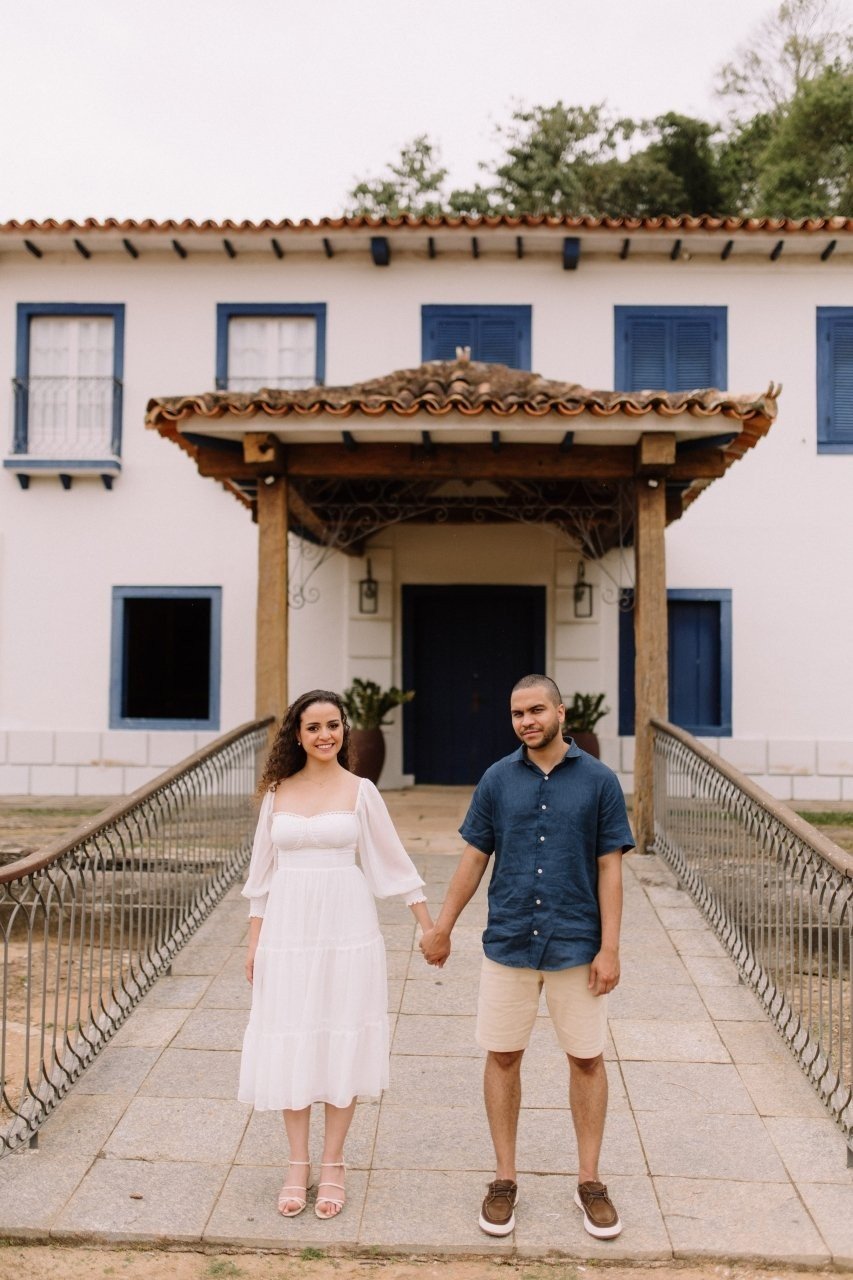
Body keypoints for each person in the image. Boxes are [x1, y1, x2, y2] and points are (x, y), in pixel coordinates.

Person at [420, 675, 634, 1240]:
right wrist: (443, 927)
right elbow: (473, 859)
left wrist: (610, 948)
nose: (526, 721)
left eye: (536, 710)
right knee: (503, 1056)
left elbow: (610, 869)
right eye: (517, 713)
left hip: (576, 944)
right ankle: (504, 1178)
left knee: (586, 1059)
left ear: (561, 712)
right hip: (510, 941)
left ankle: (590, 1181)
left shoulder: (599, 781)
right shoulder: (496, 779)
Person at [239, 688, 432, 1220]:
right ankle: (296, 1163)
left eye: (333, 725)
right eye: (313, 727)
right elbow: (261, 876)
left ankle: (333, 1163)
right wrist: (254, 942)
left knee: (341, 1033)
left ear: (344, 730)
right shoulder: (277, 793)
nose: (325, 735)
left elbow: (393, 861)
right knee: (293, 1036)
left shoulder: (361, 791)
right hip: (288, 931)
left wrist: (428, 926)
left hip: (346, 928)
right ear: (297, 736)